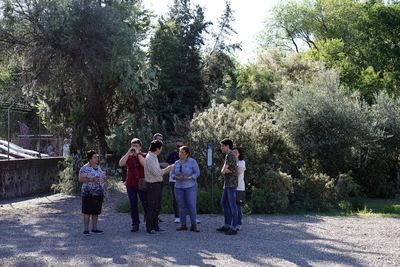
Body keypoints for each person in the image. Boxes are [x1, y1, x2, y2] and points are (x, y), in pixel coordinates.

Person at [119, 138, 147, 232]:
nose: (134, 148)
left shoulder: (144, 155)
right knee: (133, 205)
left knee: (145, 203)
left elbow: (145, 164)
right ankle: (135, 224)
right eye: (133, 146)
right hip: (131, 183)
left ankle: (149, 221)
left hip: (142, 183)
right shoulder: (129, 156)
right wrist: (128, 153)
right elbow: (121, 163)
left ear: (140, 146)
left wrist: (138, 153)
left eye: (136, 146)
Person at [144, 140, 172, 234]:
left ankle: (155, 226)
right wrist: (167, 170)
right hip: (152, 185)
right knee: (152, 206)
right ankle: (149, 227)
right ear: (157, 148)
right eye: (161, 147)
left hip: (157, 184)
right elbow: (157, 173)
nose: (161, 149)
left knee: (157, 206)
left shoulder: (154, 157)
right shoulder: (150, 158)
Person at [171, 146, 201, 232]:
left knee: (191, 205)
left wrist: (190, 177)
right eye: (179, 152)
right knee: (181, 206)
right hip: (178, 187)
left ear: (187, 154)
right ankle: (183, 224)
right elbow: (172, 175)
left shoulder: (192, 162)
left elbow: (197, 173)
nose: (180, 154)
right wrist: (176, 177)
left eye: (182, 152)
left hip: (190, 186)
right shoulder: (176, 163)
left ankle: (194, 225)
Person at [79, 150, 107, 235]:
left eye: (97, 157)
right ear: (90, 159)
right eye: (95, 157)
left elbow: (101, 178)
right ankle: (86, 230)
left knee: (96, 211)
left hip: (98, 192)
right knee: (87, 211)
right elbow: (80, 179)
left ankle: (94, 228)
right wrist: (91, 179)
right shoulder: (84, 168)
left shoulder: (98, 167)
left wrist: (104, 179)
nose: (97, 158)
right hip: (88, 193)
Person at [216, 138, 239, 235]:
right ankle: (227, 225)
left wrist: (225, 171)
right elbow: (224, 171)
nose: (221, 148)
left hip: (231, 184)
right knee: (224, 203)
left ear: (227, 146)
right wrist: (225, 171)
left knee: (232, 205)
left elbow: (223, 171)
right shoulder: (227, 155)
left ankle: (234, 227)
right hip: (228, 183)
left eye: (222, 146)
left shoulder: (230, 155)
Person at [166, 138, 183, 223]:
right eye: (178, 146)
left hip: (184, 180)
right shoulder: (171, 155)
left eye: (181, 145)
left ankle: (186, 216)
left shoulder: (186, 155)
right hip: (173, 180)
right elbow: (167, 166)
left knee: (186, 197)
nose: (179, 147)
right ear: (175, 146)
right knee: (175, 198)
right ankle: (177, 216)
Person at [232, 147, 246, 230]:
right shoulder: (229, 162)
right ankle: (232, 223)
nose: (234, 153)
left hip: (239, 188)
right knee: (231, 206)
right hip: (230, 187)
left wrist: (229, 171)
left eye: (236, 152)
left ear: (239, 154)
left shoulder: (241, 162)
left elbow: (238, 172)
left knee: (237, 206)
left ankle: (239, 223)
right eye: (233, 152)